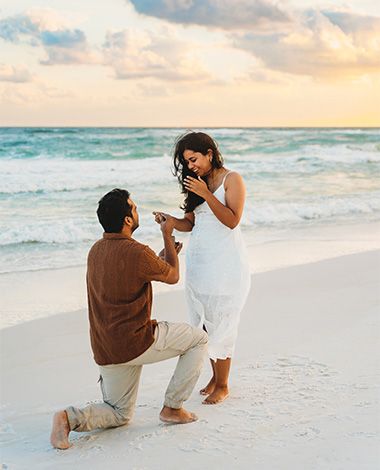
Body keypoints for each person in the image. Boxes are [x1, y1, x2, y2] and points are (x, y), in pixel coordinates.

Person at [50, 188, 208, 450]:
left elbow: (128, 279)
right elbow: (172, 276)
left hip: (106, 348)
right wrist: (167, 234)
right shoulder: (136, 252)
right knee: (199, 339)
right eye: (133, 208)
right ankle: (172, 407)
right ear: (126, 219)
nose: (136, 211)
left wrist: (161, 258)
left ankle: (68, 418)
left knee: (119, 413)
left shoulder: (96, 251)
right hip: (136, 342)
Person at [153, 132, 250, 405]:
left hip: (226, 262)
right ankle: (214, 377)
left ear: (209, 153)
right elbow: (191, 223)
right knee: (205, 322)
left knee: (223, 320)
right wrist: (170, 221)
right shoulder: (196, 182)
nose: (191, 165)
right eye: (186, 162)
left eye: (194, 159)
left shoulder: (233, 180)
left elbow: (231, 220)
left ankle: (223, 384)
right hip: (200, 262)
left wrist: (207, 194)